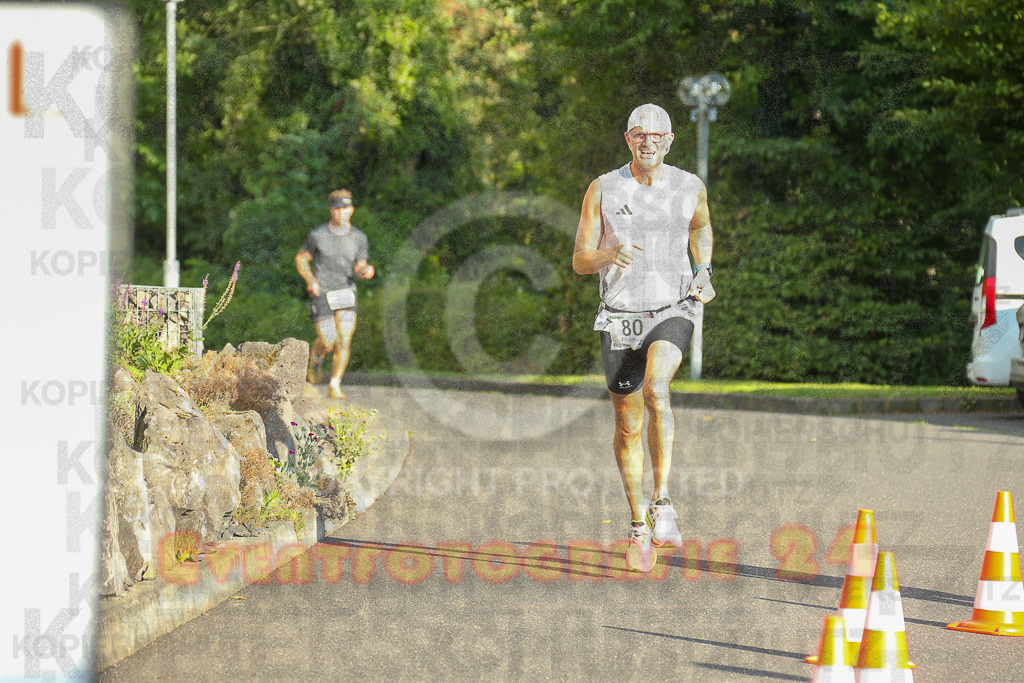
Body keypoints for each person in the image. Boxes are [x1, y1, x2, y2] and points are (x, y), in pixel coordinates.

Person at [572, 103, 716, 572]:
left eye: (656, 135)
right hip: (619, 315)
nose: (648, 142)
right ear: (628, 139)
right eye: (639, 135)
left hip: (673, 306)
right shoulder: (604, 189)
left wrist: (704, 271)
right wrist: (608, 254)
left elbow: (702, 228)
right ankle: (638, 526)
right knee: (628, 424)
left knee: (657, 389)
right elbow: (579, 260)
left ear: (670, 141)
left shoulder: (688, 186)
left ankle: (663, 502)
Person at [296, 189, 375, 399]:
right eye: (337, 208)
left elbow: (360, 264)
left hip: (347, 292)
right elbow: (302, 258)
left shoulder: (359, 237)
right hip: (323, 292)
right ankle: (316, 356)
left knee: (344, 339)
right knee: (329, 339)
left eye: (345, 208)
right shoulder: (318, 235)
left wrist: (365, 271)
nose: (341, 213)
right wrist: (311, 280)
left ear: (352, 210)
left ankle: (335, 384)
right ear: (331, 210)